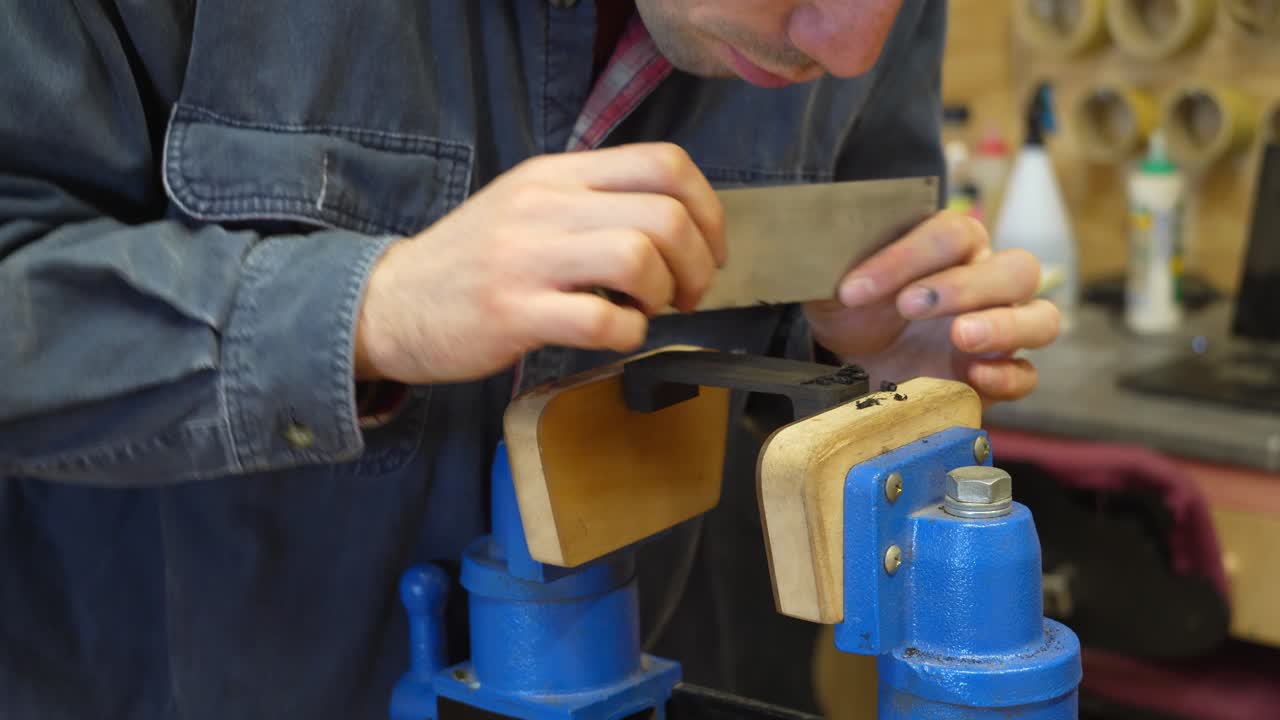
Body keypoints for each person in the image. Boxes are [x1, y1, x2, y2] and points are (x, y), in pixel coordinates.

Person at [0, 1, 1059, 718]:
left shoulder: (842, 25)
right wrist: (371, 311)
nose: (849, 51)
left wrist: (869, 356)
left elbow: (823, 301)